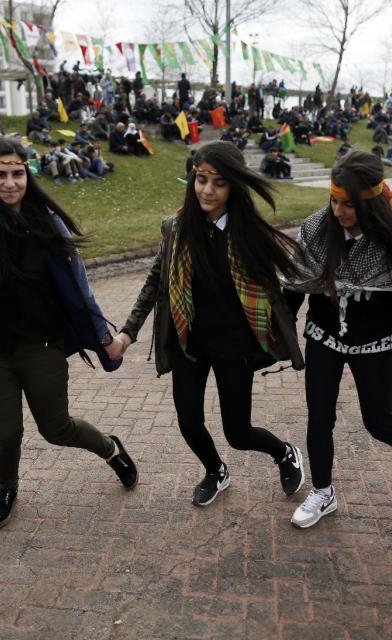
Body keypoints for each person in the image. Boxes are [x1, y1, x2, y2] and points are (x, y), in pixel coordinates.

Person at [0, 137, 137, 527]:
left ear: (27, 176)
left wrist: (107, 341)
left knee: (57, 429)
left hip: (42, 347)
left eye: (17, 173)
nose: (9, 182)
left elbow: (79, 292)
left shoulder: (47, 228)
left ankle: (109, 448)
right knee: (5, 434)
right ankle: (7, 486)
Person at [115, 141, 305, 507]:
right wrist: (128, 330)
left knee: (239, 432)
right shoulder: (176, 228)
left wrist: (282, 331)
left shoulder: (249, 233)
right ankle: (215, 470)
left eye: (218, 182)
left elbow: (282, 290)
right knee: (188, 421)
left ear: (233, 186)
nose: (207, 190)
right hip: (189, 343)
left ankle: (284, 452)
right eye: (201, 179)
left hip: (235, 346)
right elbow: (155, 282)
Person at [282, 149, 392, 529]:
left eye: (350, 205)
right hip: (323, 337)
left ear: (370, 203)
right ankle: (323, 491)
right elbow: (296, 285)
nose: (339, 212)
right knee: (319, 417)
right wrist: (281, 332)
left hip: (375, 342)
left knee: (379, 421)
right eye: (335, 201)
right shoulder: (315, 229)